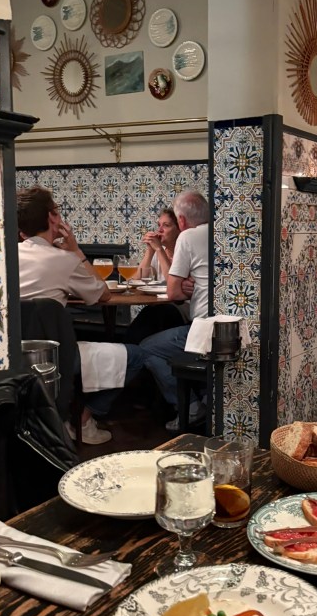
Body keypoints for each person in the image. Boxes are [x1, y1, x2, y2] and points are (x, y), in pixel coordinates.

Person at [17, 186, 145, 445]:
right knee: (137, 355)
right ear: (53, 217)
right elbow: (103, 295)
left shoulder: (1, 259)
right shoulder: (63, 260)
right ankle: (85, 419)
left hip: (13, 360)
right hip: (54, 361)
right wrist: (75, 249)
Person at [140, 190, 209, 431]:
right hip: (225, 327)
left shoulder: (188, 237)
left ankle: (190, 406)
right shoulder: (221, 232)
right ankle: (204, 398)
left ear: (181, 222)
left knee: (145, 348)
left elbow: (174, 295)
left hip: (201, 329)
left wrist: (184, 288)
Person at [124, 207, 189, 344]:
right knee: (141, 325)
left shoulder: (185, 253)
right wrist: (150, 251)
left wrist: (159, 250)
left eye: (166, 225)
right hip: (158, 307)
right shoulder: (159, 253)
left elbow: (174, 285)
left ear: (179, 230)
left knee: (155, 316)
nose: (160, 230)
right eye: (159, 225)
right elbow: (135, 281)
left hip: (180, 310)